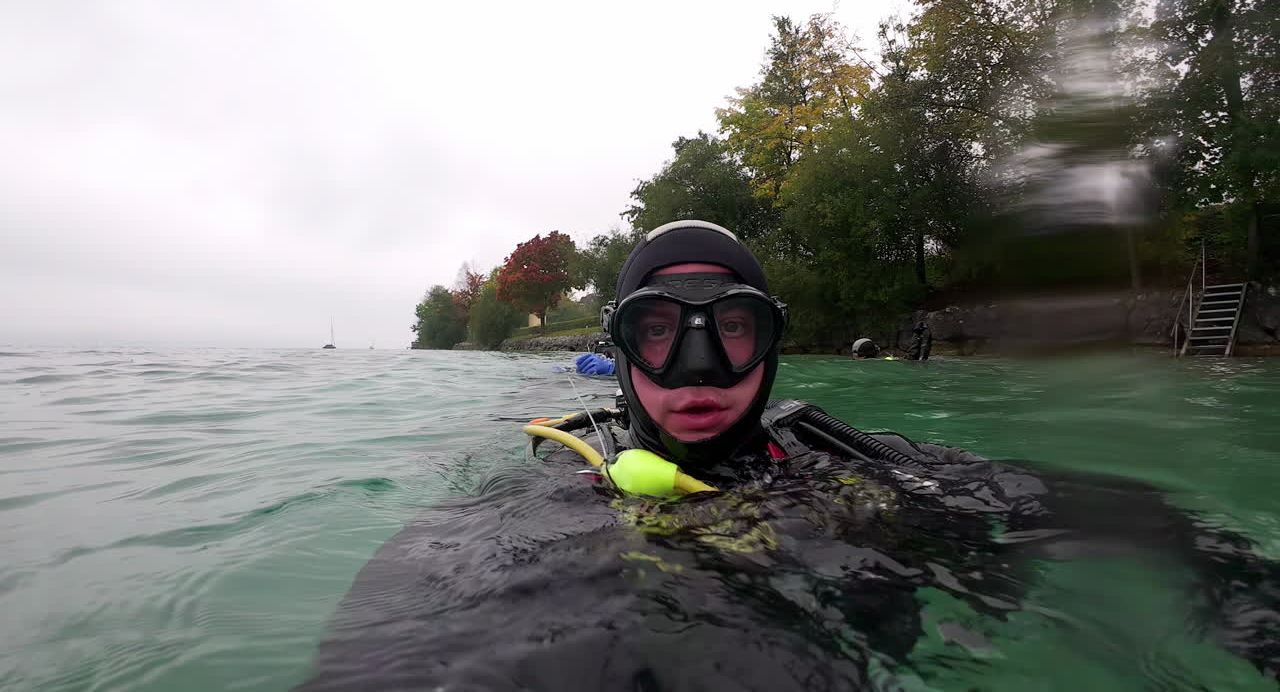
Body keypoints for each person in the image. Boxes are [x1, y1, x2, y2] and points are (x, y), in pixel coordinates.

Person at [297, 220, 1279, 691]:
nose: (694, 367)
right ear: (619, 349)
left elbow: (1078, 508)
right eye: (656, 332)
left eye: (728, 328)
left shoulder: (834, 454)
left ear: (769, 343)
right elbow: (388, 638)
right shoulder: (567, 479)